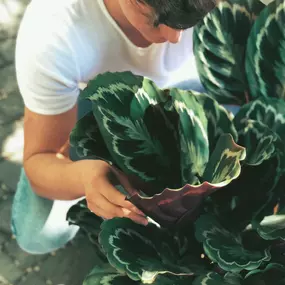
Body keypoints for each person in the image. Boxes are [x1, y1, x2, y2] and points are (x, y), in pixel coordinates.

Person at [11, 0, 215, 254]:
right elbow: (40, 159)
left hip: (199, 92)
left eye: (195, 17)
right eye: (158, 18)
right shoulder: (53, 30)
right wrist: (84, 178)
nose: (174, 38)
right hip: (97, 100)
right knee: (38, 234)